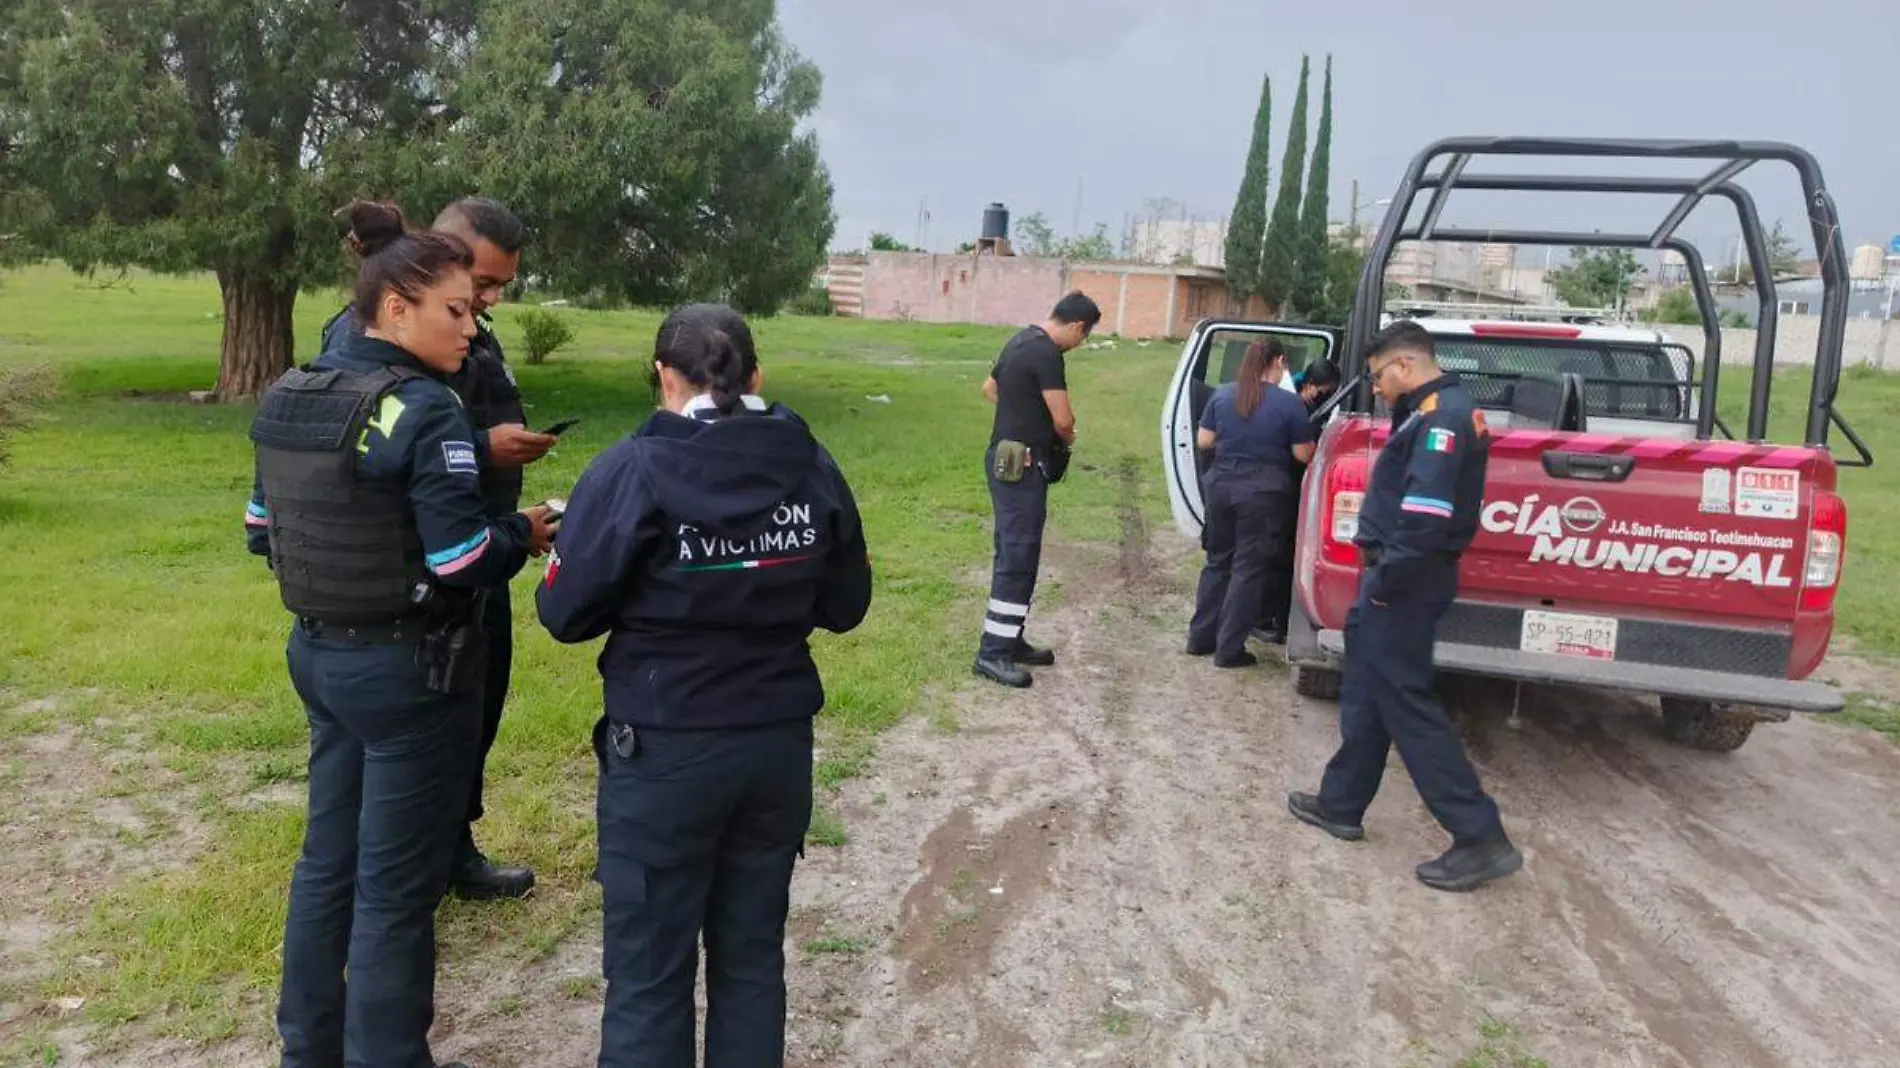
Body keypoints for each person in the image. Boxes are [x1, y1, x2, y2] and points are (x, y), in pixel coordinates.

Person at [246, 201, 556, 1068]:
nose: (472, 326)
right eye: (456, 310)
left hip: (318, 656)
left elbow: (260, 529)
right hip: (411, 675)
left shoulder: (291, 393)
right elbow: (459, 561)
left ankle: (307, 1050)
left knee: (324, 867)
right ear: (396, 309)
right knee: (393, 891)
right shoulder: (425, 411)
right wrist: (520, 536)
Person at [536, 303, 873, 1068]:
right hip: (773, 751)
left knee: (650, 975)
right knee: (752, 961)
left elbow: (564, 610)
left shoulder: (627, 471)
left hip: (665, 752)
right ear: (757, 376)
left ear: (662, 376)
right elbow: (847, 604)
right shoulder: (812, 465)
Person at [319, 196, 552, 900]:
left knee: (474, 716)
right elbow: (360, 442)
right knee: (406, 739)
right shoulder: (361, 334)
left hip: (482, 551)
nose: (483, 305)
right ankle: (397, 875)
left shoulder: (474, 332)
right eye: (477, 285)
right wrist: (484, 447)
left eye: (496, 291)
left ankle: (451, 846)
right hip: (416, 574)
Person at [1285, 322, 1522, 893]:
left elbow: (1424, 517)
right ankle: (1341, 803)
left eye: (1378, 377)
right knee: (1366, 690)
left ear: (1405, 365)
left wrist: (1388, 581)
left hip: (1406, 580)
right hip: (1391, 578)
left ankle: (1479, 835)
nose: (1378, 389)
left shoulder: (1442, 416)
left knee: (1409, 706)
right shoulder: (1426, 409)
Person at [972, 291, 1102, 688]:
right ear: (1077, 326)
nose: (1080, 345)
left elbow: (989, 389)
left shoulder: (1019, 340)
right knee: (1018, 554)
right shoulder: (1047, 353)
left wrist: (1019, 417)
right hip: (1021, 466)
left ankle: (1010, 637)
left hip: (1006, 459)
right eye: (1084, 337)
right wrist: (1065, 434)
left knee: (1016, 551)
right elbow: (1063, 419)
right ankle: (992, 654)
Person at [1185, 339, 1317, 667]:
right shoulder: (1289, 404)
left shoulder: (1224, 393)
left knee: (1217, 562)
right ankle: (1229, 650)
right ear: (1280, 361)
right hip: (1263, 493)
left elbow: (1204, 440)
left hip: (1221, 487)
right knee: (1248, 569)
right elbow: (1304, 453)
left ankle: (1199, 638)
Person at [1257, 356, 1343, 643]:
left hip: (1289, 489)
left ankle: (1274, 617)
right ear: (1309, 385)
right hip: (1283, 489)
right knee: (1276, 558)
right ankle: (1265, 617)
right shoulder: (1294, 408)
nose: (1326, 397)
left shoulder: (1304, 406)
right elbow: (1301, 453)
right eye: (1324, 391)